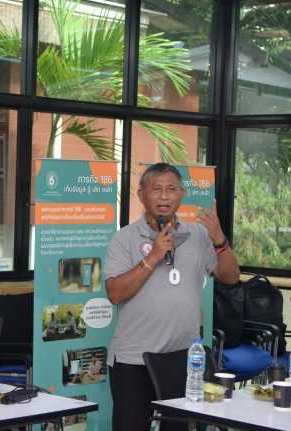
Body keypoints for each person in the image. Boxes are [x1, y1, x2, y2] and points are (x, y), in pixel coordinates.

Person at [104, 163, 239, 431]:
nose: (164, 196)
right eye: (156, 189)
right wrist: (153, 256)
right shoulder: (124, 239)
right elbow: (115, 293)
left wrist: (219, 238)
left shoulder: (199, 234)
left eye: (171, 189)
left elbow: (231, 277)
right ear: (141, 195)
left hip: (183, 360)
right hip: (134, 360)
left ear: (181, 194)